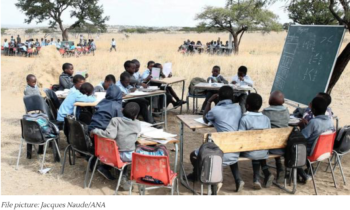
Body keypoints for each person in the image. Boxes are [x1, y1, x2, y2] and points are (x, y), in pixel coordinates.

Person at [187, 86, 243, 193]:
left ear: (218, 96)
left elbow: (205, 119)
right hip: (236, 149)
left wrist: (209, 101)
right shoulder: (238, 108)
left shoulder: (216, 110)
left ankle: (205, 178)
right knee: (229, 147)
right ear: (232, 97)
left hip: (220, 153)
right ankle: (238, 179)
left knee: (193, 155)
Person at [91, 102, 141, 189]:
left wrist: (95, 131)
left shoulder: (115, 120)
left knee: (122, 148)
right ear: (136, 116)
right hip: (128, 156)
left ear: (122, 110)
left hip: (112, 155)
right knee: (137, 148)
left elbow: (110, 135)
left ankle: (109, 169)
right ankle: (123, 176)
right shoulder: (137, 123)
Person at [239, 93, 274, 190]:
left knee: (253, 148)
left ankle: (257, 179)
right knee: (258, 147)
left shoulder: (244, 119)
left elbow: (240, 137)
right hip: (263, 151)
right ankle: (257, 178)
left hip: (249, 151)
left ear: (247, 105)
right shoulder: (266, 119)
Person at [262, 91, 290, 183]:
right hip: (284, 146)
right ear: (282, 102)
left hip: (269, 147)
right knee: (276, 138)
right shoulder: (286, 111)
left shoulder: (265, 112)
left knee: (260, 145)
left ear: (270, 101)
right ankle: (280, 167)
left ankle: (265, 170)